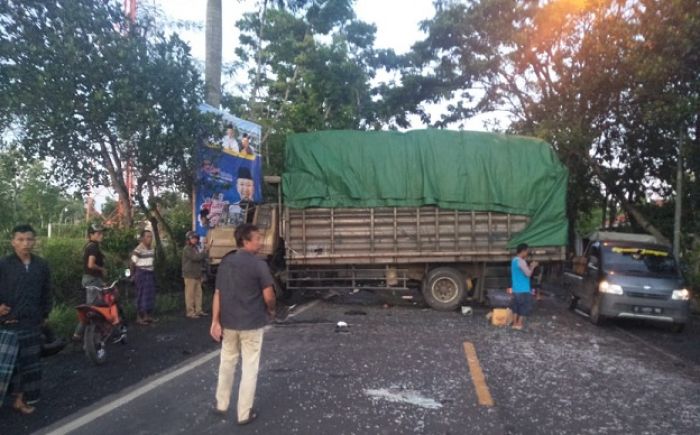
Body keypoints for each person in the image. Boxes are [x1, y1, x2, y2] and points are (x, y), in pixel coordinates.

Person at [210, 224, 276, 425]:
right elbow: (268, 295)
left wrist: (215, 321)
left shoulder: (226, 262)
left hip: (228, 324)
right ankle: (243, 413)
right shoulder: (259, 265)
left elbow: (218, 294)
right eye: (257, 238)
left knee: (227, 363)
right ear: (246, 241)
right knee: (249, 368)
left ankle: (221, 404)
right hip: (252, 325)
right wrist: (272, 310)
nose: (261, 241)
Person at [0, 224, 52, 415]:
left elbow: (47, 292)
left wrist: (45, 314)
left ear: (34, 241)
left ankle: (20, 399)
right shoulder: (3, 264)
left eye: (29, 239)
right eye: (21, 240)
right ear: (13, 242)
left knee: (27, 365)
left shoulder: (41, 265)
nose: (25, 244)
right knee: (5, 367)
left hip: (31, 322)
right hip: (8, 323)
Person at [72, 223, 106, 341]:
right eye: (98, 233)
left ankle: (84, 334)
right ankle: (81, 335)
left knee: (93, 307)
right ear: (91, 235)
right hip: (92, 280)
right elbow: (90, 265)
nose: (101, 235)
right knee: (93, 309)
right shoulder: (93, 247)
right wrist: (101, 269)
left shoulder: (90, 246)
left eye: (102, 233)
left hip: (91, 279)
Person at [131, 230, 157, 325]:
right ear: (142, 238)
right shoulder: (138, 249)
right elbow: (132, 262)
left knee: (149, 296)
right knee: (141, 296)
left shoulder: (152, 248)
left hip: (150, 273)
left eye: (151, 236)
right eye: (147, 236)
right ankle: (139, 317)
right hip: (141, 273)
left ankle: (147, 316)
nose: (150, 239)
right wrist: (133, 275)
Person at [510, 243, 539, 330]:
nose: (527, 253)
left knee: (516, 307)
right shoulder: (521, 261)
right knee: (524, 306)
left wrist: (529, 266)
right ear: (522, 251)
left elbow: (521, 272)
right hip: (523, 288)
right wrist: (533, 266)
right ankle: (519, 323)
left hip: (515, 288)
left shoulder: (514, 260)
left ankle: (514, 323)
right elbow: (528, 274)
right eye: (526, 251)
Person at [182, 231, 208, 319]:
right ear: (188, 239)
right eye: (193, 238)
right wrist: (204, 252)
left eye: (196, 238)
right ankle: (190, 312)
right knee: (190, 294)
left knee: (198, 293)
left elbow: (201, 258)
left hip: (197, 274)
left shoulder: (195, 248)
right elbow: (195, 258)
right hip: (189, 275)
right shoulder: (187, 249)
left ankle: (198, 310)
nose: (195, 240)